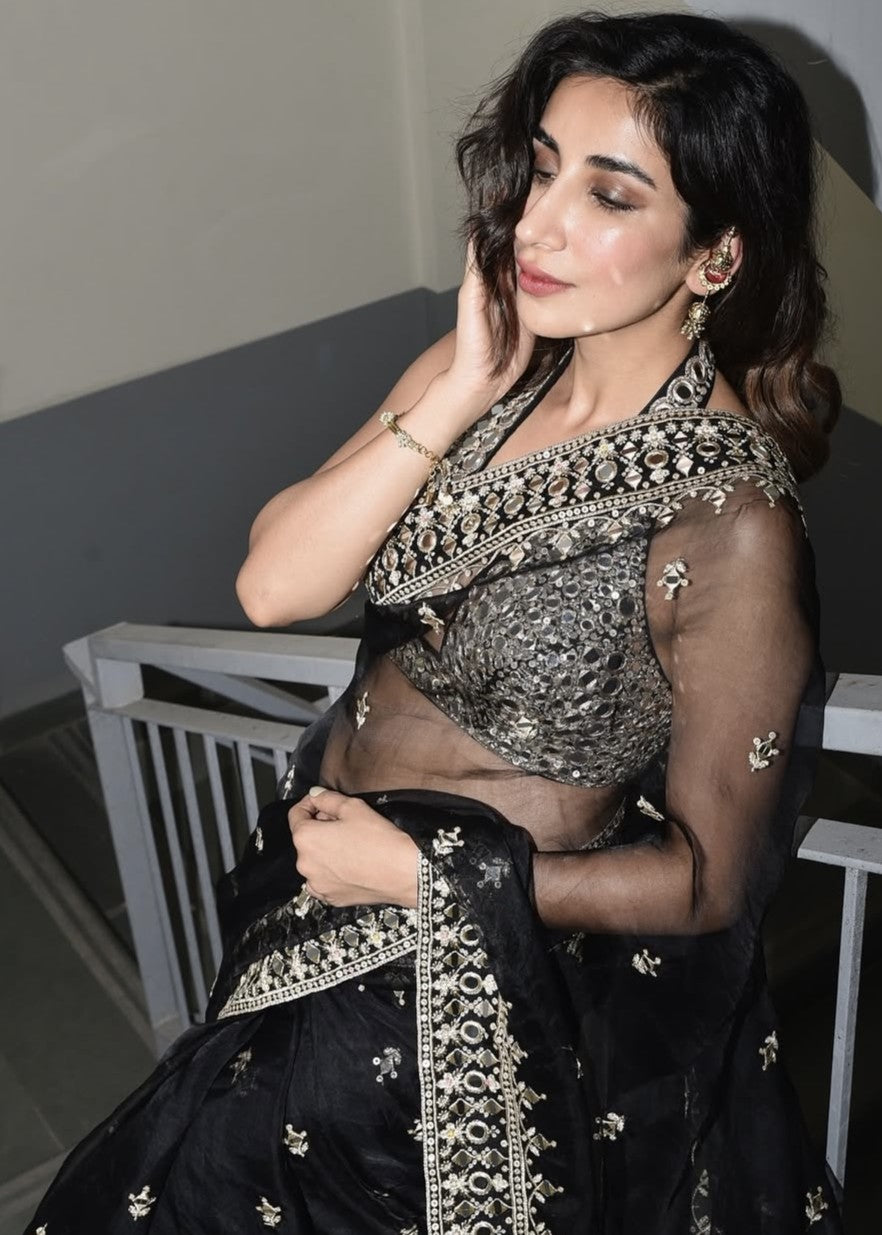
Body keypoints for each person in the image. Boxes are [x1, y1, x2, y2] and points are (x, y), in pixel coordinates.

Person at [27, 9, 845, 1234]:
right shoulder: (495, 368)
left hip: (467, 997)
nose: (537, 224)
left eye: (608, 195)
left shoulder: (728, 520)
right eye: (542, 169)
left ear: (714, 257)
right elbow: (273, 586)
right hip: (316, 894)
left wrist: (420, 875)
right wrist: (464, 381)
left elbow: (710, 880)